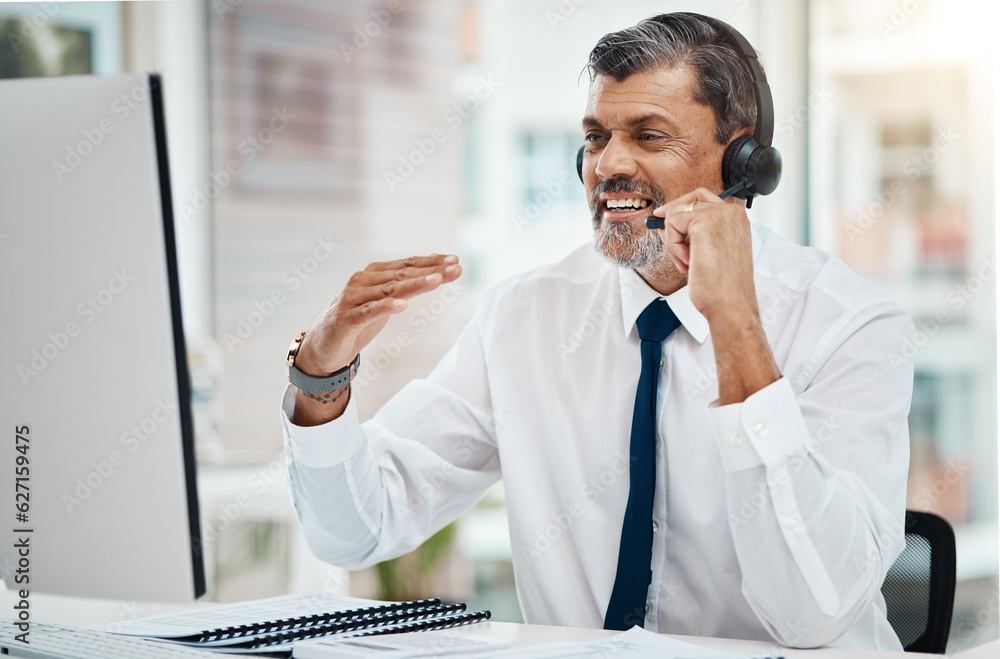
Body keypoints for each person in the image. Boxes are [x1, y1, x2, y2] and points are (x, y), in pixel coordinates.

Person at [280, 13, 912, 650]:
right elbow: (356, 530)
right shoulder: (523, 319)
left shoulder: (849, 325)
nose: (608, 164)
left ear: (742, 159)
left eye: (648, 136)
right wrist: (321, 371)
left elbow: (813, 613)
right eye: (595, 136)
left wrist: (734, 323)